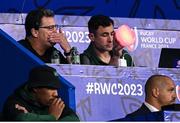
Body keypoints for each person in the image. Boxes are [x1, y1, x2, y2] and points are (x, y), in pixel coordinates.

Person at [2, 65, 80, 121]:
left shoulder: (54, 101)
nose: (55, 94)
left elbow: (74, 119)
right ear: (35, 88)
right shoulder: (15, 101)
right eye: (50, 88)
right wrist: (52, 117)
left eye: (56, 89)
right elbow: (22, 119)